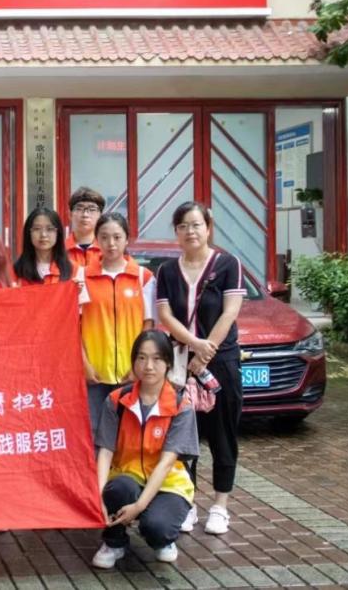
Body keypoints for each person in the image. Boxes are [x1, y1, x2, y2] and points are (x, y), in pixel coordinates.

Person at [155, 201, 245, 536]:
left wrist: (205, 353)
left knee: (222, 434)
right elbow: (165, 315)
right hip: (180, 364)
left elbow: (230, 312)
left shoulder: (228, 264)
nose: (190, 231)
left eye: (196, 225)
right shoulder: (167, 271)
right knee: (182, 435)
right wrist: (194, 344)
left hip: (220, 362)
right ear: (176, 232)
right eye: (183, 226)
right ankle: (187, 501)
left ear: (208, 228)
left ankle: (220, 505)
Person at [92, 330, 198, 569]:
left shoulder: (181, 406)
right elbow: (105, 451)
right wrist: (97, 497)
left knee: (157, 527)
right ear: (133, 362)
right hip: (126, 477)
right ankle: (114, 542)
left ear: (168, 363)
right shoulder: (116, 400)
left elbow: (166, 463)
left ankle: (163, 537)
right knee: (118, 489)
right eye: (141, 358)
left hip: (169, 484)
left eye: (157, 358)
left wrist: (139, 507)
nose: (148, 366)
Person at [82, 213, 156, 428]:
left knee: (129, 431)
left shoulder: (143, 277)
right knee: (94, 431)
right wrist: (85, 365)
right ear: (96, 240)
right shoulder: (82, 277)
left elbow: (148, 326)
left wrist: (137, 365)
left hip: (130, 373)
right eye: (104, 237)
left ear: (126, 239)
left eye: (117, 237)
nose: (111, 243)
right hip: (95, 373)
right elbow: (74, 326)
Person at [13, 207, 75, 286]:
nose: (43, 235)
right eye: (37, 229)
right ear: (28, 233)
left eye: (49, 229)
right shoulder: (16, 271)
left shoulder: (73, 269)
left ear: (58, 233)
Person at [65, 187, 105, 268]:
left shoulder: (108, 249)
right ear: (70, 214)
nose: (85, 215)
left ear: (100, 215)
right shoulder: (60, 250)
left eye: (92, 209)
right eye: (79, 209)